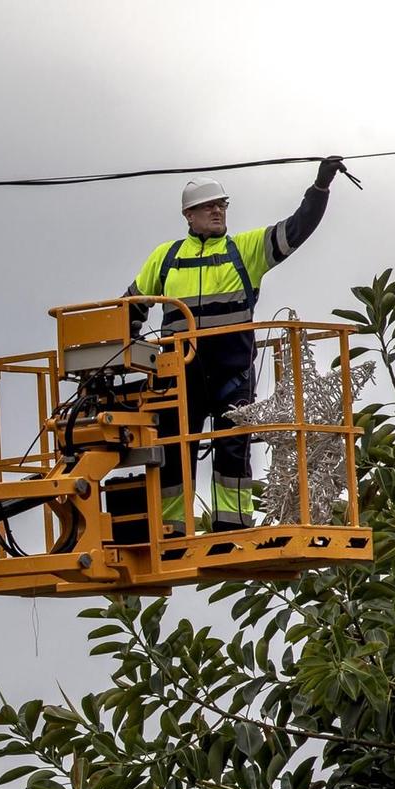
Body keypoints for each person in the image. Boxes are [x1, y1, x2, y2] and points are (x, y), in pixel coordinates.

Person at [127, 156, 351, 531]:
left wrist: (320, 187)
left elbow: (297, 229)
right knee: (172, 446)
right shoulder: (165, 259)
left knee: (234, 445)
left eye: (222, 205)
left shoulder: (245, 250)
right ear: (189, 215)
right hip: (179, 373)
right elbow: (131, 305)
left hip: (231, 368)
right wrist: (128, 345)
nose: (217, 211)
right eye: (208, 207)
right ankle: (173, 527)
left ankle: (232, 524)